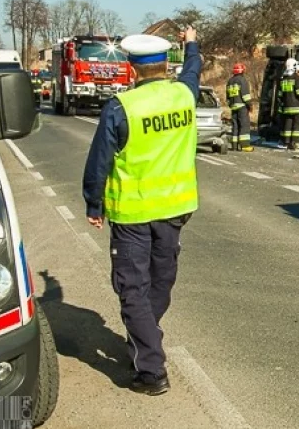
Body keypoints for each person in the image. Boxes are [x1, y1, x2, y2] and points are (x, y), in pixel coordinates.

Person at [82, 27, 201, 395]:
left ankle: (151, 371)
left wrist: (94, 202)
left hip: (133, 212)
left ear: (132, 71)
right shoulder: (184, 94)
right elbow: (193, 69)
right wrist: (192, 42)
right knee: (161, 282)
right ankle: (145, 335)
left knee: (133, 288)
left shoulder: (121, 107)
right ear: (167, 66)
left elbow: (99, 160)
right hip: (175, 209)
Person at [279, 63, 299, 150]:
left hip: (287, 108)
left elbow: (280, 95)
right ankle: (296, 143)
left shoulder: (283, 79)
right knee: (298, 126)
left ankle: (287, 142)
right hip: (297, 107)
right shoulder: (296, 78)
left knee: (288, 125)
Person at [226, 63, 254, 151]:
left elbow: (227, 96)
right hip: (242, 106)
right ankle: (245, 146)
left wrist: (230, 105)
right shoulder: (242, 80)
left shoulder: (230, 81)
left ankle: (234, 145)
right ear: (242, 70)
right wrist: (250, 105)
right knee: (244, 125)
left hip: (233, 107)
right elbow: (245, 95)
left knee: (235, 126)